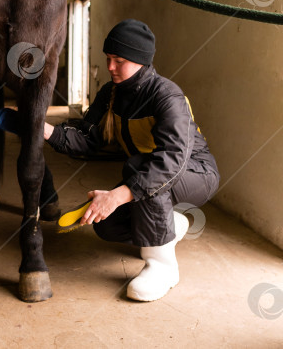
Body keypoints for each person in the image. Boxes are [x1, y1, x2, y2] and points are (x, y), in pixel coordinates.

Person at [44, 18, 220, 302]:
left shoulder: (167, 95)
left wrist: (116, 196)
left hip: (196, 173)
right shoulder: (110, 93)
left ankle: (162, 267)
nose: (111, 67)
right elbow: (89, 140)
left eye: (119, 60)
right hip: (152, 170)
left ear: (140, 60)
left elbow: (170, 161)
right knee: (106, 224)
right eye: (109, 58)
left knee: (139, 171)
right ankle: (170, 227)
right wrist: (45, 129)